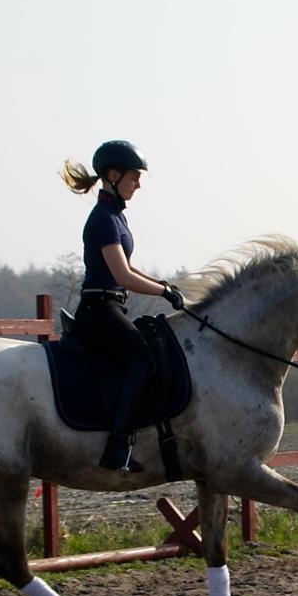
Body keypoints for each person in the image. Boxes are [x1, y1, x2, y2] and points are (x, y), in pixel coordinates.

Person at [60, 140, 185, 473]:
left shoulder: (115, 215)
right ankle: (117, 448)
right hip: (100, 308)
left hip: (110, 304)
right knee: (143, 359)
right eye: (134, 177)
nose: (138, 184)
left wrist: (165, 285)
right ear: (113, 175)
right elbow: (122, 275)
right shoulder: (103, 218)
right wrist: (163, 292)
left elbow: (129, 268)